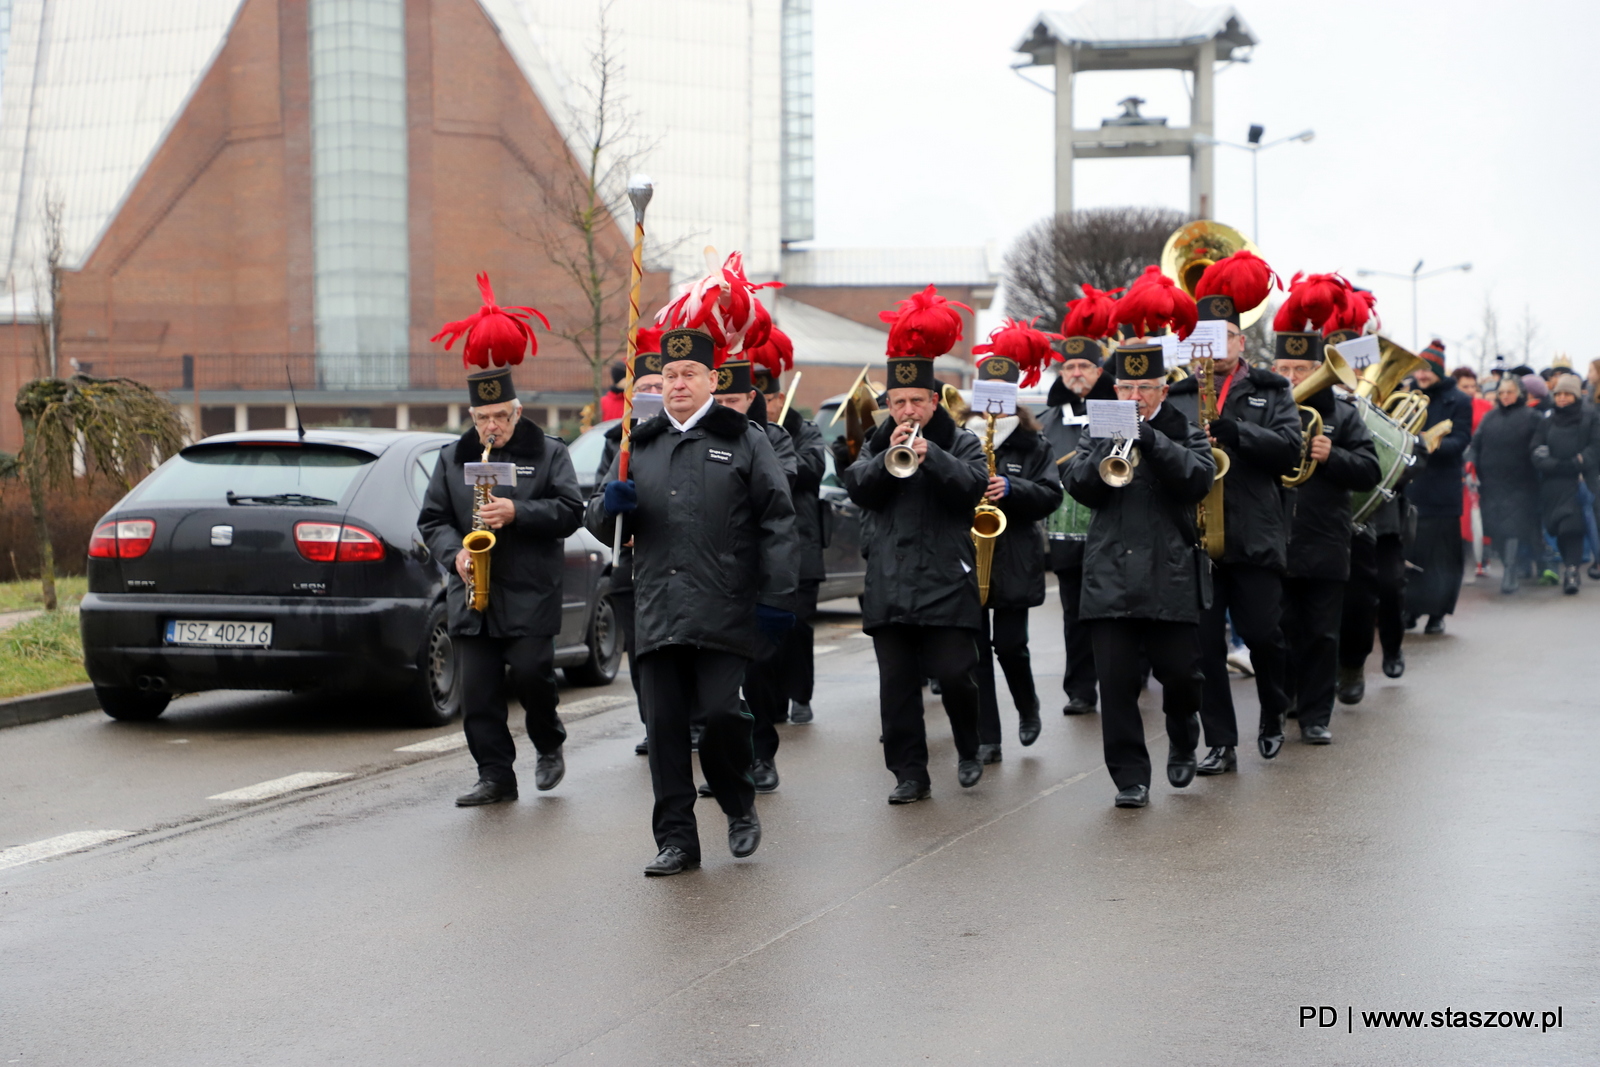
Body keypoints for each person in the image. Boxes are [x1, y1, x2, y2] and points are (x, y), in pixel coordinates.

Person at [587, 265, 798, 877]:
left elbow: (777, 519)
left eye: (690, 375)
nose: (678, 384)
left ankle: (737, 804)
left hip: (725, 607)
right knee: (666, 729)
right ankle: (676, 838)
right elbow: (602, 522)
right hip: (655, 607)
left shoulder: (745, 439)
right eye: (669, 375)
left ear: (712, 379)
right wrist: (611, 506)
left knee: (724, 717)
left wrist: (776, 595)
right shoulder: (637, 442)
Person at [419, 279, 585, 807]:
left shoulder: (550, 452)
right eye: (482, 418)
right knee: (480, 693)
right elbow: (432, 520)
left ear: (517, 412)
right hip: (472, 593)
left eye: (501, 417)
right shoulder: (451, 458)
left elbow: (570, 511)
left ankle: (548, 740)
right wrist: (455, 553)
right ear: (472, 417)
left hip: (531, 590)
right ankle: (495, 775)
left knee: (535, 676)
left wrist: (518, 511)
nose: (492, 428)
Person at [841, 285, 990, 804]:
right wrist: (888, 454)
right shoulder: (878, 444)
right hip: (890, 583)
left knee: (955, 675)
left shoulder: (962, 441)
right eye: (899, 402)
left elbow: (971, 488)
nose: (907, 411)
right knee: (896, 689)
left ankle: (970, 746)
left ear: (934, 401)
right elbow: (857, 487)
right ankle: (910, 773)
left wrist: (935, 456)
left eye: (916, 402)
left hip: (946, 580)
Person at [1062, 341, 1215, 807]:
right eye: (1125, 386)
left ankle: (1184, 733)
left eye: (1144, 388)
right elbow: (1080, 487)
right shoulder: (1097, 431)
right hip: (1110, 575)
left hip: (1169, 575)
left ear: (1163, 391)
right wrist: (1107, 446)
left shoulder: (1184, 431)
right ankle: (1131, 777)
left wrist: (1151, 440)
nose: (1134, 396)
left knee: (1182, 675)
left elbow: (1198, 480)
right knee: (1117, 682)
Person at [1164, 257, 1302, 768]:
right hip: (1197, 537)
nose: (1216, 348)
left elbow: (1292, 450)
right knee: (1203, 648)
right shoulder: (1179, 395)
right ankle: (1221, 742)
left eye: (1225, 338)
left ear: (1241, 342)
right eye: (1206, 338)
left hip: (1254, 532)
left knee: (1264, 634)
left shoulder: (1272, 389)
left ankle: (1272, 710)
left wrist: (1239, 433)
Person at [1273, 332, 1380, 743]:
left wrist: (1332, 455)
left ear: (1319, 369)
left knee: (1321, 633)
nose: (1291, 376)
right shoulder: (1265, 409)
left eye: (1301, 369)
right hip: (1275, 538)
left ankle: (1317, 716)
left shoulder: (1344, 415)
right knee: (1279, 629)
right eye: (1284, 369)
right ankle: (1285, 702)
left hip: (1324, 540)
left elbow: (1369, 471)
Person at [964, 333, 1064, 763]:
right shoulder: (961, 438)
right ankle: (989, 736)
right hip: (968, 556)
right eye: (987, 395)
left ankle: (1028, 706)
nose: (993, 404)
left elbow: (1050, 494)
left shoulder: (1032, 443)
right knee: (975, 652)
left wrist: (1012, 487)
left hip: (1014, 557)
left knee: (1008, 645)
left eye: (1001, 396)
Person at [709, 348, 798, 792]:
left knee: (758, 678)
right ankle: (724, 763)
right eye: (718, 402)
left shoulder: (771, 438)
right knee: (713, 686)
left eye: (734, 402)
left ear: (750, 398)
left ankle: (762, 756)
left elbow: (782, 488)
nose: (726, 410)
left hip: (752, 576)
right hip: (708, 579)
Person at [1042, 292, 1119, 717]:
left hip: (1112, 527)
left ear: (1099, 370)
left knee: (1117, 611)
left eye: (1083, 366)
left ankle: (1128, 678)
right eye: (1068, 366)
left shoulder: (1116, 407)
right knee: (1074, 614)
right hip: (1068, 533)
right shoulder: (1050, 419)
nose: (1074, 373)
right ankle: (1081, 690)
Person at [748, 331, 827, 727]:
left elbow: (812, 470)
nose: (767, 405)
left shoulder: (804, 430)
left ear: (780, 398)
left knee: (798, 628)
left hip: (803, 545)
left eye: (772, 399)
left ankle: (801, 696)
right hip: (762, 547)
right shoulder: (745, 435)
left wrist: (778, 443)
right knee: (765, 633)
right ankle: (773, 701)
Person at [595, 329, 666, 755]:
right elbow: (593, 509)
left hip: (675, 563)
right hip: (631, 563)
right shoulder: (615, 443)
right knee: (640, 651)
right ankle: (652, 724)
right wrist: (610, 505)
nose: (653, 394)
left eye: (660, 387)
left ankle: (692, 723)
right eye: (644, 389)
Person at [1403, 340, 1474, 634]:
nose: (1421, 375)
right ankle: (1411, 608)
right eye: (1419, 370)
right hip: (1412, 487)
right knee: (1412, 554)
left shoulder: (1458, 400)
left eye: (1427, 371)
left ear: (1438, 371)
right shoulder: (1407, 394)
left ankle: (1437, 613)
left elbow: (1460, 441)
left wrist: (1429, 443)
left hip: (1442, 490)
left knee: (1442, 557)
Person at [1465, 373, 1541, 593]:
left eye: (1510, 392)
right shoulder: (1490, 417)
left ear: (1520, 394)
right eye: (1501, 393)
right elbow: (1475, 444)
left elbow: (1538, 446)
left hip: (1521, 482)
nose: (1505, 396)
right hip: (1491, 482)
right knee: (1496, 527)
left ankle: (1510, 572)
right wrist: (1470, 462)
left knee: (1512, 528)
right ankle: (1511, 566)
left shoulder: (1532, 417)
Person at [1531, 374, 1596, 595]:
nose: (1562, 398)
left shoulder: (1589, 418)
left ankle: (1571, 571)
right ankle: (1570, 566)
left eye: (1567, 394)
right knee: (1558, 529)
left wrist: (1577, 462)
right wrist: (1553, 463)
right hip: (1552, 484)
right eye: (1558, 394)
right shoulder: (1547, 420)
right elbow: (1537, 448)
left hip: (1578, 482)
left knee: (1572, 527)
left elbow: (1594, 448)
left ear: (1576, 396)